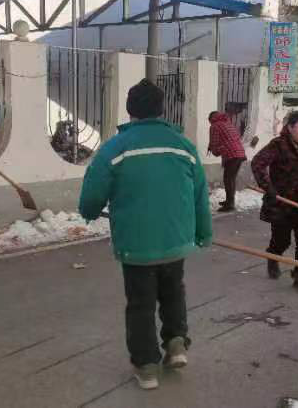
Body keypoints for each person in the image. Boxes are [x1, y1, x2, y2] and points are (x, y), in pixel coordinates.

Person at [78, 79, 213, 390]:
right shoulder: (183, 146)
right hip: (175, 241)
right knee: (173, 292)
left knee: (141, 303)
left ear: (130, 110)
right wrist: (203, 233)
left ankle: (147, 366)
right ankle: (176, 343)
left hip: (136, 244)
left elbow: (93, 192)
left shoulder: (115, 148)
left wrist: (89, 210)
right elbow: (200, 195)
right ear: (161, 109)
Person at [251, 111, 298, 294]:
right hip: (281, 202)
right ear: (290, 128)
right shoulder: (278, 145)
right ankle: (273, 256)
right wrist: (268, 188)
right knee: (281, 240)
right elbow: (257, 163)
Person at [208, 111, 247, 212]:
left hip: (231, 155)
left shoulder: (215, 126)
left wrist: (214, 150)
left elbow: (214, 142)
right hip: (240, 153)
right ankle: (229, 201)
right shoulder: (228, 124)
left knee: (228, 179)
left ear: (212, 119)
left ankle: (230, 204)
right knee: (231, 179)